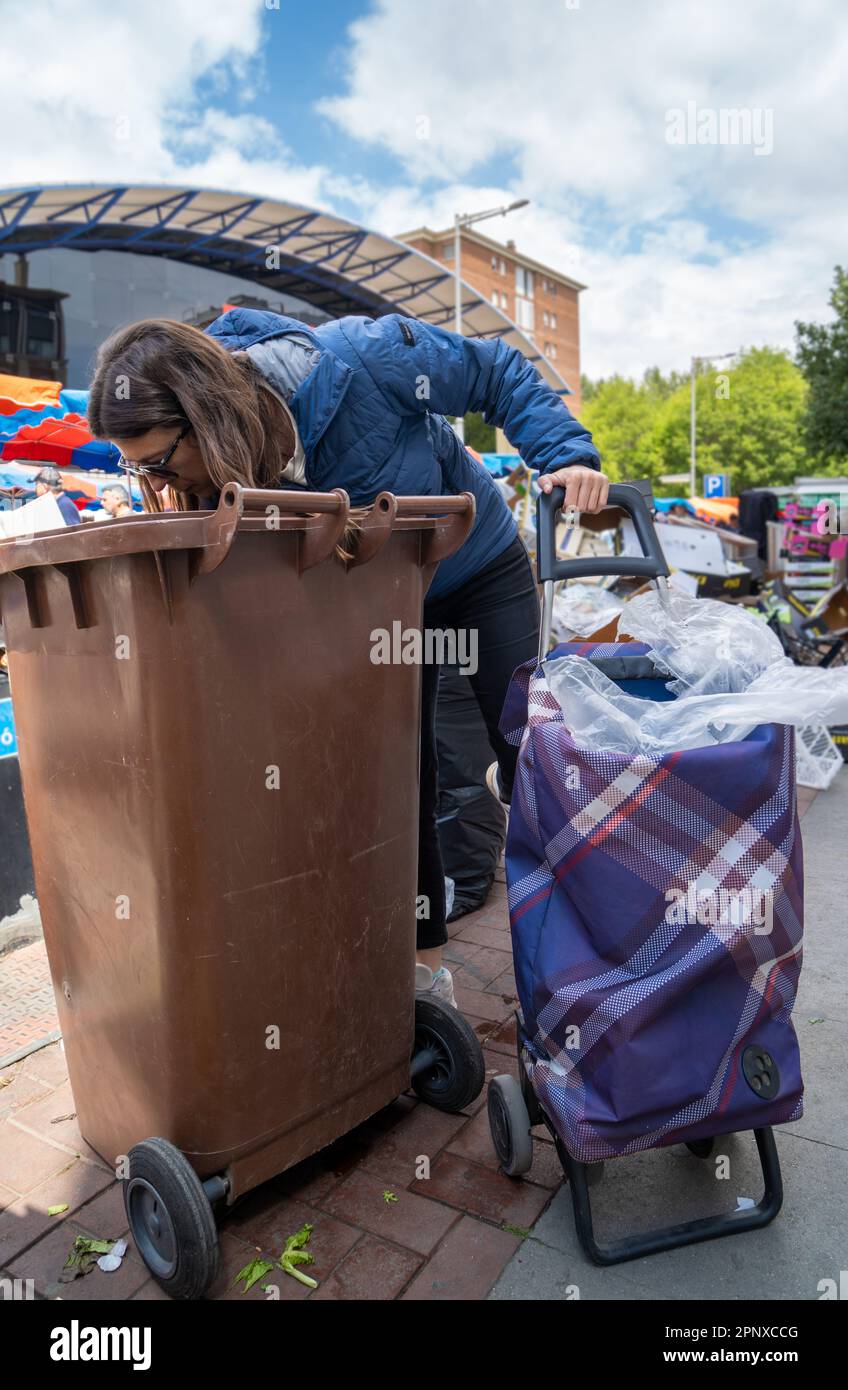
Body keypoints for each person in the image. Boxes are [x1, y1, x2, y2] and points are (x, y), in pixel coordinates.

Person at [87, 310, 609, 1008]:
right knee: (403, 777)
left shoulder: (361, 358)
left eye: (156, 461)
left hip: (477, 572)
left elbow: (496, 370)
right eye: (135, 466)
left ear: (206, 415)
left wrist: (564, 454)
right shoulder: (215, 480)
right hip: (387, 608)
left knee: (527, 754)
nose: (153, 479)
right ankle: (427, 973)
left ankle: (593, 959)